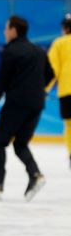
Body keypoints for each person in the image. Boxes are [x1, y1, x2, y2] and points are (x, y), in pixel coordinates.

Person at [0, 16, 54, 201]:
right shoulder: (38, 51)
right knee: (20, 144)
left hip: (16, 103)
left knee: (0, 143)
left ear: (14, 30)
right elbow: (50, 74)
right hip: (36, 103)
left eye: (6, 28)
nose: (4, 32)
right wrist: (37, 89)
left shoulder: (10, 51)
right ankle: (35, 175)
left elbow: (2, 82)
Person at [45, 13, 71, 168]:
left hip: (67, 91)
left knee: (69, 125)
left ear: (65, 28)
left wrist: (43, 89)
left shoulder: (59, 43)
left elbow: (52, 69)